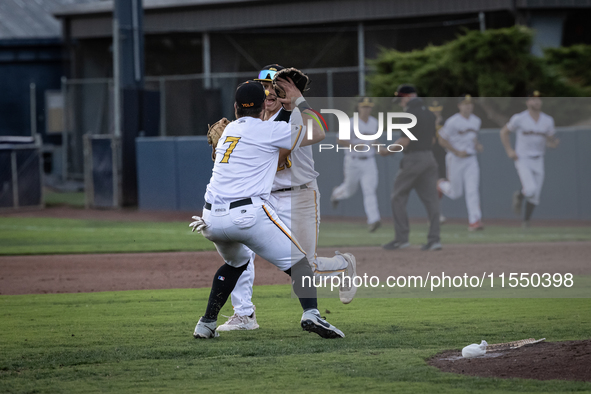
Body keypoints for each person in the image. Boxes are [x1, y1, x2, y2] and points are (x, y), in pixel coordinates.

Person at [191, 80, 345, 339]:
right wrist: (298, 101)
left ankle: (206, 323)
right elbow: (318, 132)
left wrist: (281, 110)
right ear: (264, 105)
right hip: (246, 214)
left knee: (236, 262)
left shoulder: (228, 131)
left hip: (210, 218)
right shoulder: (267, 131)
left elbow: (260, 136)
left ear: (236, 107)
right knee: (300, 264)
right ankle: (312, 314)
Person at [380, 84, 441, 251]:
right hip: (429, 158)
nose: (400, 103)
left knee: (397, 196)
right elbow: (434, 141)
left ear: (406, 97)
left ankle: (402, 239)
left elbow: (404, 142)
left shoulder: (409, 114)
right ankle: (435, 240)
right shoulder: (429, 113)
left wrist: (386, 151)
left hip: (414, 160)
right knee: (432, 200)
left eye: (400, 99)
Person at [500, 90, 559, 228]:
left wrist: (553, 144)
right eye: (533, 99)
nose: (536, 101)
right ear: (527, 102)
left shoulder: (548, 120)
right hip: (523, 158)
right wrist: (509, 150)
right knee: (530, 189)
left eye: (538, 99)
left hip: (539, 158)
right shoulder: (519, 118)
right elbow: (504, 132)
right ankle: (519, 195)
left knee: (535, 196)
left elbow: (550, 140)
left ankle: (526, 221)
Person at [330, 97, 382, 232]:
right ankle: (336, 193)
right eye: (364, 106)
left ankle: (373, 220)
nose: (366, 109)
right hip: (353, 161)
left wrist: (379, 148)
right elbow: (339, 139)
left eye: (368, 106)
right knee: (349, 190)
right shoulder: (351, 122)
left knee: (369, 190)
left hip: (369, 161)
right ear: (358, 108)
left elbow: (374, 141)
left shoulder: (374, 122)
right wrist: (353, 146)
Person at [436, 95, 484, 231]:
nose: (468, 106)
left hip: (471, 159)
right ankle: (441, 185)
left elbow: (472, 138)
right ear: (459, 106)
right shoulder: (453, 121)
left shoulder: (476, 121)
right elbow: (442, 140)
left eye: (470, 103)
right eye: (464, 103)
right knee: (455, 193)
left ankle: (474, 221)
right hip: (455, 159)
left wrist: (477, 145)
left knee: (472, 190)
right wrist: (456, 152)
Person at [428, 100, 448, 224]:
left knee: (441, 184)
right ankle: (433, 214)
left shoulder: (446, 123)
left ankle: (436, 213)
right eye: (433, 110)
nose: (436, 112)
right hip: (430, 155)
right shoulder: (425, 122)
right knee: (431, 185)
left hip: (443, 156)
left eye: (437, 110)